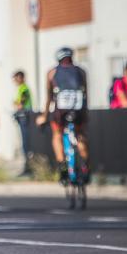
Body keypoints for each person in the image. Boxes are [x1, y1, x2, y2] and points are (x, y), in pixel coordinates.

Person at [36, 47, 90, 184]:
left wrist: (44, 116)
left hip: (61, 111)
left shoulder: (52, 72)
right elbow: (85, 95)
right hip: (78, 110)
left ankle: (62, 166)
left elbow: (49, 97)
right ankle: (85, 165)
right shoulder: (81, 71)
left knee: (57, 134)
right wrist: (85, 113)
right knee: (80, 134)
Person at [12, 70, 33, 175]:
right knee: (24, 144)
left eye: (16, 78)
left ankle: (28, 168)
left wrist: (16, 103)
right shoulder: (21, 88)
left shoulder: (24, 88)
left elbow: (21, 103)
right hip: (23, 117)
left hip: (25, 117)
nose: (15, 81)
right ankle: (27, 166)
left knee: (26, 144)